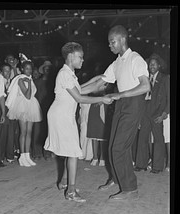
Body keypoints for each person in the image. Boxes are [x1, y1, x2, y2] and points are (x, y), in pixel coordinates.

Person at [84, 25, 150, 200]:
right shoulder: (117, 63)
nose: (110, 46)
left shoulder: (136, 59)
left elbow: (145, 86)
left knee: (119, 147)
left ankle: (130, 189)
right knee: (112, 144)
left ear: (122, 40)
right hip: (121, 105)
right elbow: (100, 83)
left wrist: (121, 94)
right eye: (109, 43)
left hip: (133, 104)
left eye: (112, 42)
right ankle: (116, 178)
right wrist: (75, 91)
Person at [44, 42, 112, 202]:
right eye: (80, 57)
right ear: (71, 57)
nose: (83, 60)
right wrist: (102, 98)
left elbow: (82, 89)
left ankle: (64, 183)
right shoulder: (64, 74)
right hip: (60, 116)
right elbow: (80, 97)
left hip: (65, 115)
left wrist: (100, 79)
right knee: (74, 152)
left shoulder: (70, 74)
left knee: (71, 151)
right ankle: (71, 192)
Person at [134, 53, 170, 174]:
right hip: (145, 113)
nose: (152, 66)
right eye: (150, 64)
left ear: (159, 65)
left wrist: (164, 113)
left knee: (158, 139)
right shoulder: (145, 79)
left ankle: (157, 167)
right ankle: (141, 164)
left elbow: (169, 98)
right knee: (142, 138)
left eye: (154, 64)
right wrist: (139, 116)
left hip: (157, 113)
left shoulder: (165, 78)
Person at [5, 59, 42, 167]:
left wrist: (30, 81)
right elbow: (27, 95)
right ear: (22, 69)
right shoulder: (20, 80)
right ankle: (22, 156)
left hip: (31, 106)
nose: (29, 71)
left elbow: (32, 96)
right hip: (22, 106)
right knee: (23, 132)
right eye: (26, 69)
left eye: (30, 69)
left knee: (29, 132)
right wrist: (29, 83)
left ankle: (27, 155)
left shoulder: (30, 78)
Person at [31, 60, 53, 160]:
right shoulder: (37, 82)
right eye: (45, 68)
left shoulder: (53, 83)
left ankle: (47, 153)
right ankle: (36, 153)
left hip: (50, 109)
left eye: (49, 69)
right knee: (37, 131)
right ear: (43, 70)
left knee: (49, 131)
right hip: (38, 109)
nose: (47, 70)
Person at [0, 63, 15, 163]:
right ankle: (0, 156)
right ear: (1, 72)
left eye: (9, 71)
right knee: (2, 134)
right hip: (3, 111)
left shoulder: (12, 82)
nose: (8, 73)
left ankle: (10, 156)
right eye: (5, 70)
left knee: (11, 134)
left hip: (12, 111)